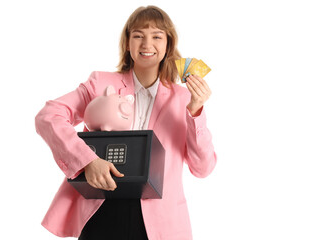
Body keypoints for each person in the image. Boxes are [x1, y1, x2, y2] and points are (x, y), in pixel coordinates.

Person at [35, 5, 217, 240]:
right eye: (138, 35)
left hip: (161, 223)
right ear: (127, 43)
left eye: (157, 36)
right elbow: (48, 116)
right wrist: (87, 160)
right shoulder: (100, 83)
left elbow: (203, 168)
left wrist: (195, 112)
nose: (146, 44)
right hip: (102, 209)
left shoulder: (184, 99)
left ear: (168, 44)